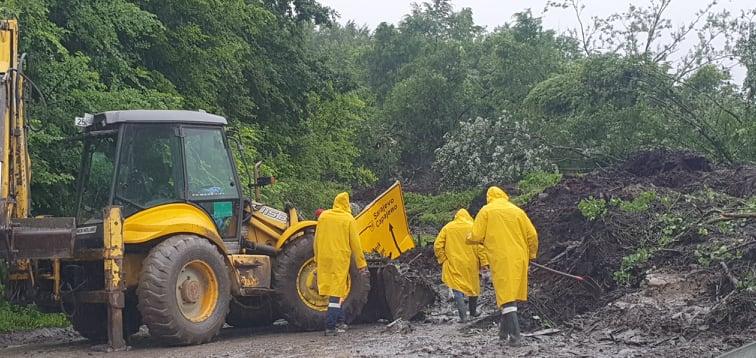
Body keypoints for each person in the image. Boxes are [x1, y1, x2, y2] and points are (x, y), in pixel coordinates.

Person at [469, 186, 538, 347]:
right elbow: (532, 235)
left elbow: (476, 235)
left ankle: (515, 337)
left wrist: (469, 238)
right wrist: (532, 255)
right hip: (520, 258)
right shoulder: (517, 211)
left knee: (506, 297)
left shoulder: (486, 211)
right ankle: (503, 334)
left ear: (489, 197)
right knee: (510, 295)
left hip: (501, 258)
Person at [313, 192, 368, 336]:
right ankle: (330, 326)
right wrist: (361, 264)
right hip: (339, 259)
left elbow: (316, 239)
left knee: (334, 291)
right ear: (346, 204)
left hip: (324, 258)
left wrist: (316, 259)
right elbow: (355, 244)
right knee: (336, 294)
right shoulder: (348, 219)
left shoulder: (324, 216)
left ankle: (341, 321)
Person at [434, 209, 488, 322]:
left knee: (456, 288)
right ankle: (473, 312)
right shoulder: (473, 226)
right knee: (473, 288)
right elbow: (480, 247)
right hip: (471, 264)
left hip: (454, 263)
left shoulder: (448, 228)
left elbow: (437, 245)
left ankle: (463, 316)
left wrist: (443, 259)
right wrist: (484, 263)